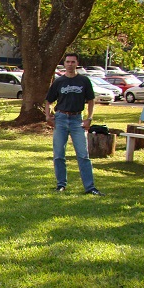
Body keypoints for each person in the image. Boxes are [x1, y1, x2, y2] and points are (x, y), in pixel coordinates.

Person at [45, 53, 104, 196]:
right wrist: (48, 116)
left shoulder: (83, 80)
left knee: (83, 155)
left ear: (77, 63)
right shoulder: (59, 81)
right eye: (68, 62)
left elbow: (91, 100)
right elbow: (48, 101)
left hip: (77, 119)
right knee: (59, 154)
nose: (70, 64)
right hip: (61, 119)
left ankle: (90, 187)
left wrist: (89, 118)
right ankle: (61, 185)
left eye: (73, 62)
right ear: (64, 64)